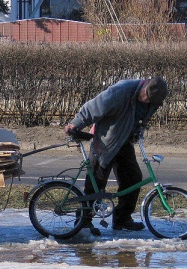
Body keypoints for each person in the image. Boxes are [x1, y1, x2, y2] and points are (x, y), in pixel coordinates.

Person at [64, 76, 169, 236]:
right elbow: (94, 107)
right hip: (105, 142)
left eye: (150, 100)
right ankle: (84, 222)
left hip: (124, 142)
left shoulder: (154, 101)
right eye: (145, 97)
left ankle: (122, 219)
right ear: (144, 86)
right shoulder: (122, 90)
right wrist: (75, 124)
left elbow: (139, 118)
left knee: (132, 178)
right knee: (95, 183)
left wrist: (137, 132)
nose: (146, 101)